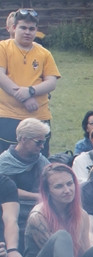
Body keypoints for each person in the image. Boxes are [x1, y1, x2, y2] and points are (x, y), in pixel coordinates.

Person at [0, 8, 60, 154]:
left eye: (31, 29)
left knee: (40, 162)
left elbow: (51, 82)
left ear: (36, 30)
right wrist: (24, 98)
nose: (27, 32)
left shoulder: (44, 53)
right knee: (6, 164)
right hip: (9, 116)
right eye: (23, 27)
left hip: (39, 117)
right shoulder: (3, 48)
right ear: (14, 28)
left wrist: (30, 91)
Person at [0, 118, 49, 238]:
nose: (42, 146)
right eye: (38, 142)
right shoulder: (5, 162)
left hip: (40, 208)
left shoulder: (40, 160)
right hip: (13, 211)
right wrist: (36, 197)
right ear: (23, 139)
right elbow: (7, 190)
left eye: (44, 142)